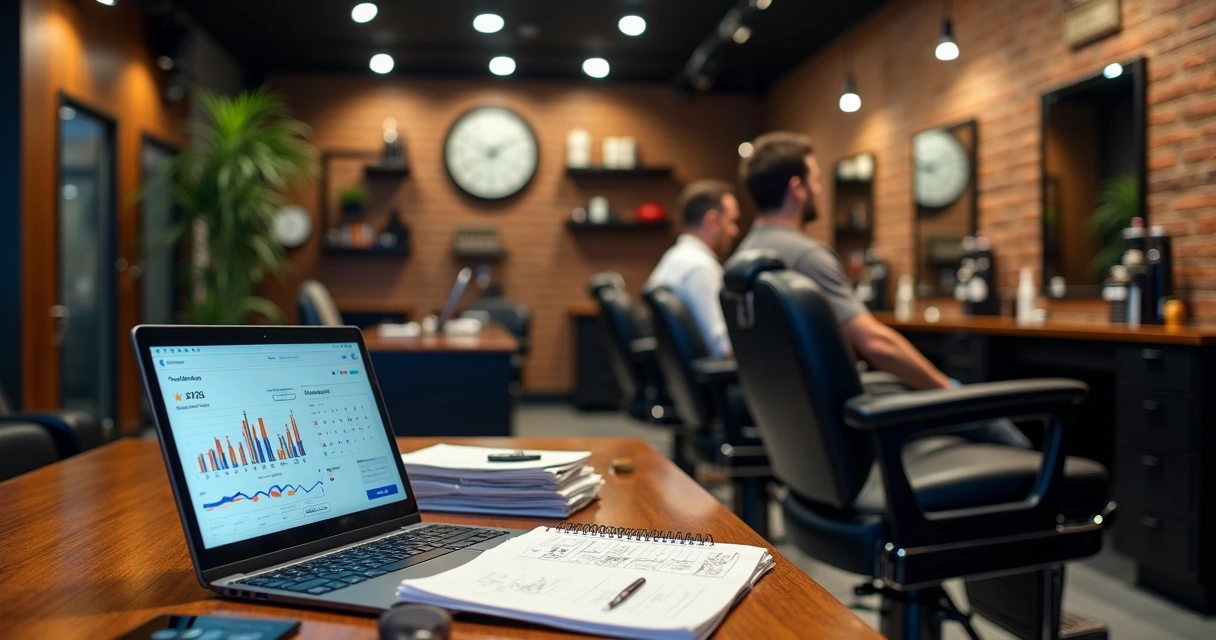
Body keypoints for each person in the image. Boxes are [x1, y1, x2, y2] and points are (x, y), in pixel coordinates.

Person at [735, 131, 1028, 446]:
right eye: (816, 180)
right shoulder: (806, 256)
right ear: (797, 188)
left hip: (797, 428)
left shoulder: (742, 258)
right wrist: (947, 388)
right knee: (987, 418)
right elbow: (876, 344)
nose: (819, 190)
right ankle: (1042, 471)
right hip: (845, 420)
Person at [645, 179, 741, 359]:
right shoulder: (699, 268)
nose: (735, 231)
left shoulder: (676, 258)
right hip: (713, 375)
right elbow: (722, 349)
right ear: (712, 220)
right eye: (732, 222)